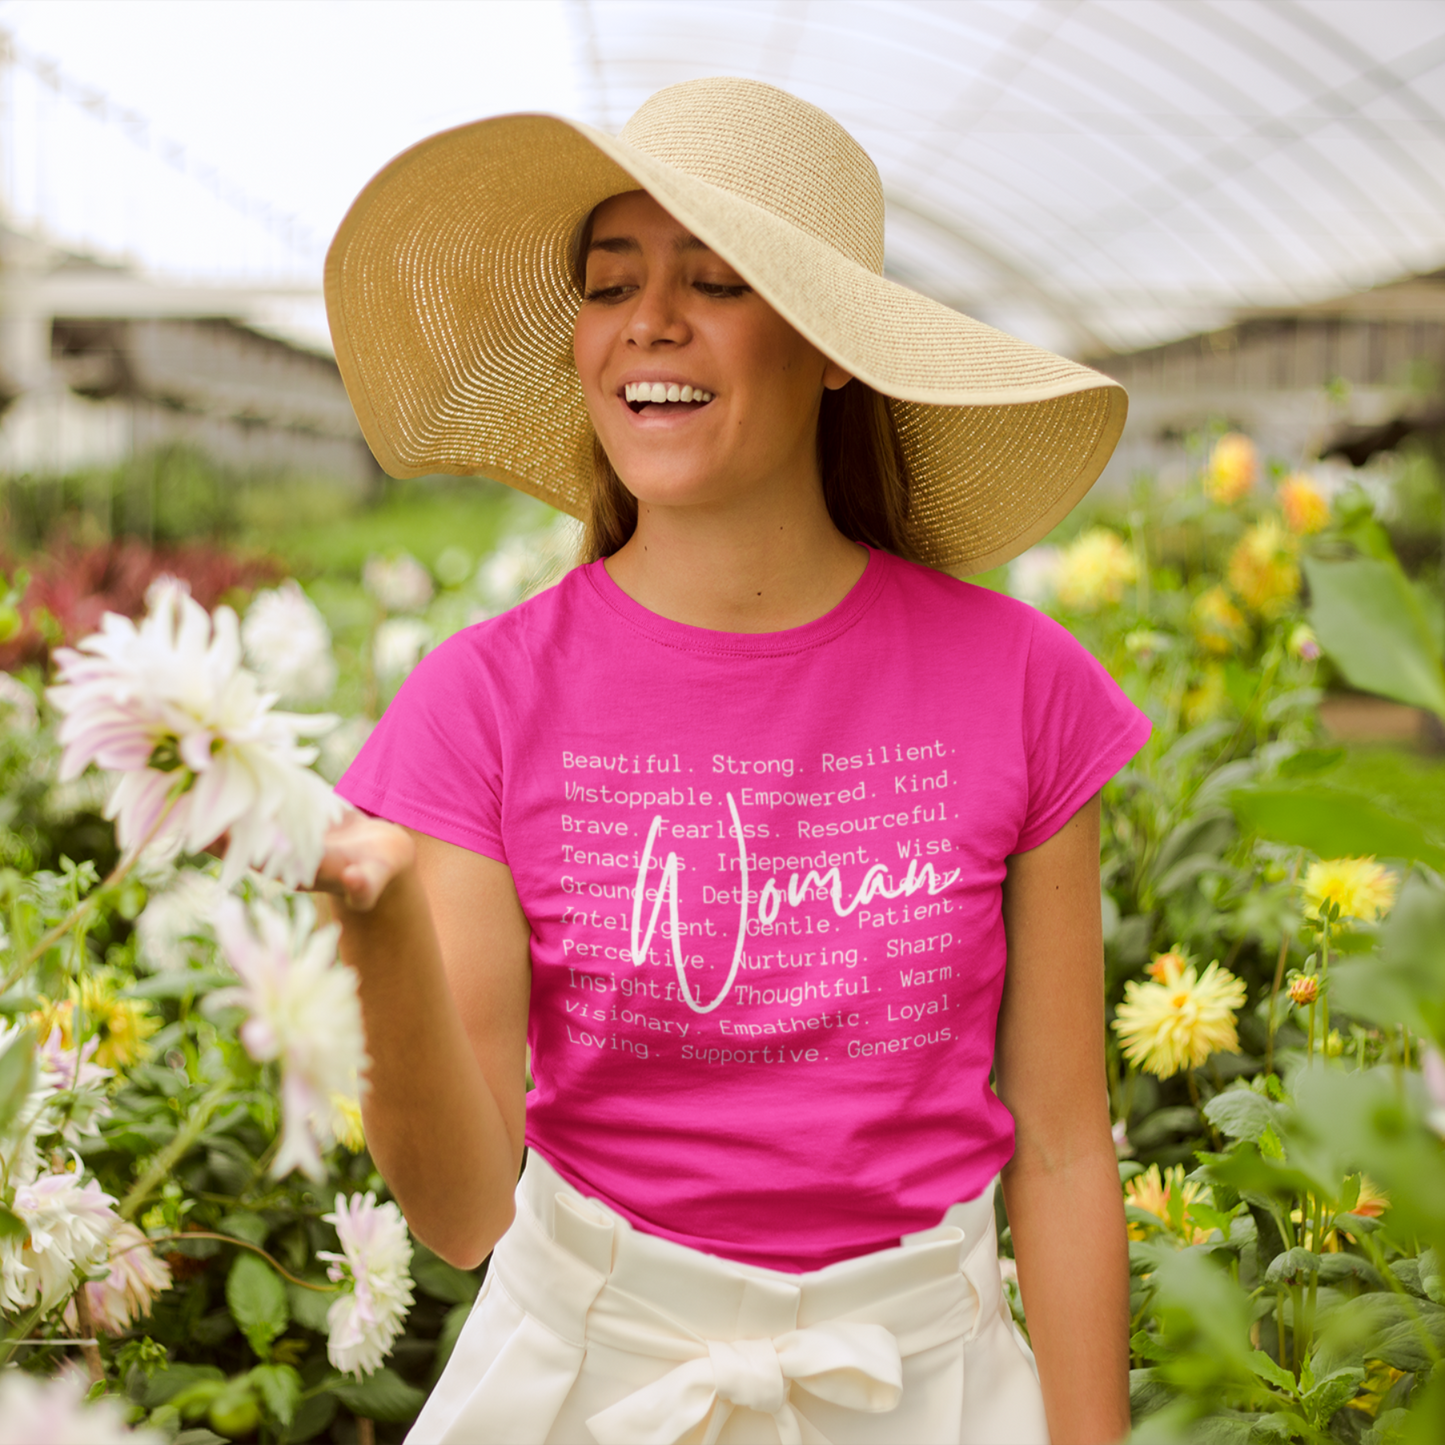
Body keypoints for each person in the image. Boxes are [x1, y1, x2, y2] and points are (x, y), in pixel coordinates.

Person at [315, 76, 1149, 1445]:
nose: (650, 321)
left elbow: (1061, 1146)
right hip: (589, 1383)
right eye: (610, 282)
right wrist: (379, 936)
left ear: (831, 346)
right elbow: (466, 1211)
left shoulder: (1020, 686)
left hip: (927, 1387)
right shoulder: (480, 703)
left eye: (716, 279)